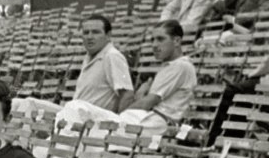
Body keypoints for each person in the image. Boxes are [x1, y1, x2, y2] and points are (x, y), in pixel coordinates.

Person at [53, 20, 196, 141]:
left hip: (153, 124)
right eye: (152, 40)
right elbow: (146, 100)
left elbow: (148, 102)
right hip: (144, 120)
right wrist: (140, 95)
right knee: (74, 122)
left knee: (76, 108)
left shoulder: (180, 66)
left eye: (160, 39)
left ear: (177, 41)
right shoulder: (171, 67)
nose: (154, 45)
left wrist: (123, 112)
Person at [13, 14, 135, 123]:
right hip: (75, 113)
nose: (89, 37)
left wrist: (117, 125)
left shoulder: (112, 56)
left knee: (30, 104)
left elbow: (127, 94)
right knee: (19, 103)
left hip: (92, 119)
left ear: (108, 36)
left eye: (95, 32)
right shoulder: (90, 56)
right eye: (86, 33)